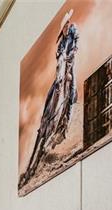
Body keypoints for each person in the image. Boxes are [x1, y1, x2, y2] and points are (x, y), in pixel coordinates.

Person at [21, 9, 79, 188]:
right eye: (64, 26)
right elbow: (58, 56)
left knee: (72, 89)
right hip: (62, 68)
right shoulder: (60, 43)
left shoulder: (73, 31)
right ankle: (45, 118)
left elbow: (76, 45)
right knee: (52, 90)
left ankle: (65, 122)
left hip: (70, 66)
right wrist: (61, 59)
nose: (65, 28)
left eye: (66, 25)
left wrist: (69, 58)